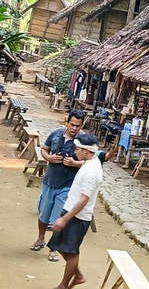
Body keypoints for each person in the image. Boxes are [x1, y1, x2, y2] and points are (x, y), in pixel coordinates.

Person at [47, 132, 103, 289]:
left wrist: (65, 218)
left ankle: (64, 285)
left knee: (71, 251)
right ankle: (77, 276)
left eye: (77, 149)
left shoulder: (92, 171)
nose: (75, 152)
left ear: (85, 151)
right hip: (71, 211)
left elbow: (84, 199)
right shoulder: (90, 162)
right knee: (59, 245)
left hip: (77, 216)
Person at [31, 109, 84, 262]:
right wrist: (49, 158)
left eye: (78, 126)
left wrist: (74, 163)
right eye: (72, 124)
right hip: (50, 181)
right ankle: (40, 239)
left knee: (57, 218)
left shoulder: (83, 141)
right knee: (43, 213)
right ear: (67, 122)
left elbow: (90, 162)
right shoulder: (55, 134)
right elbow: (44, 148)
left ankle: (53, 248)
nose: (74, 128)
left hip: (68, 185)